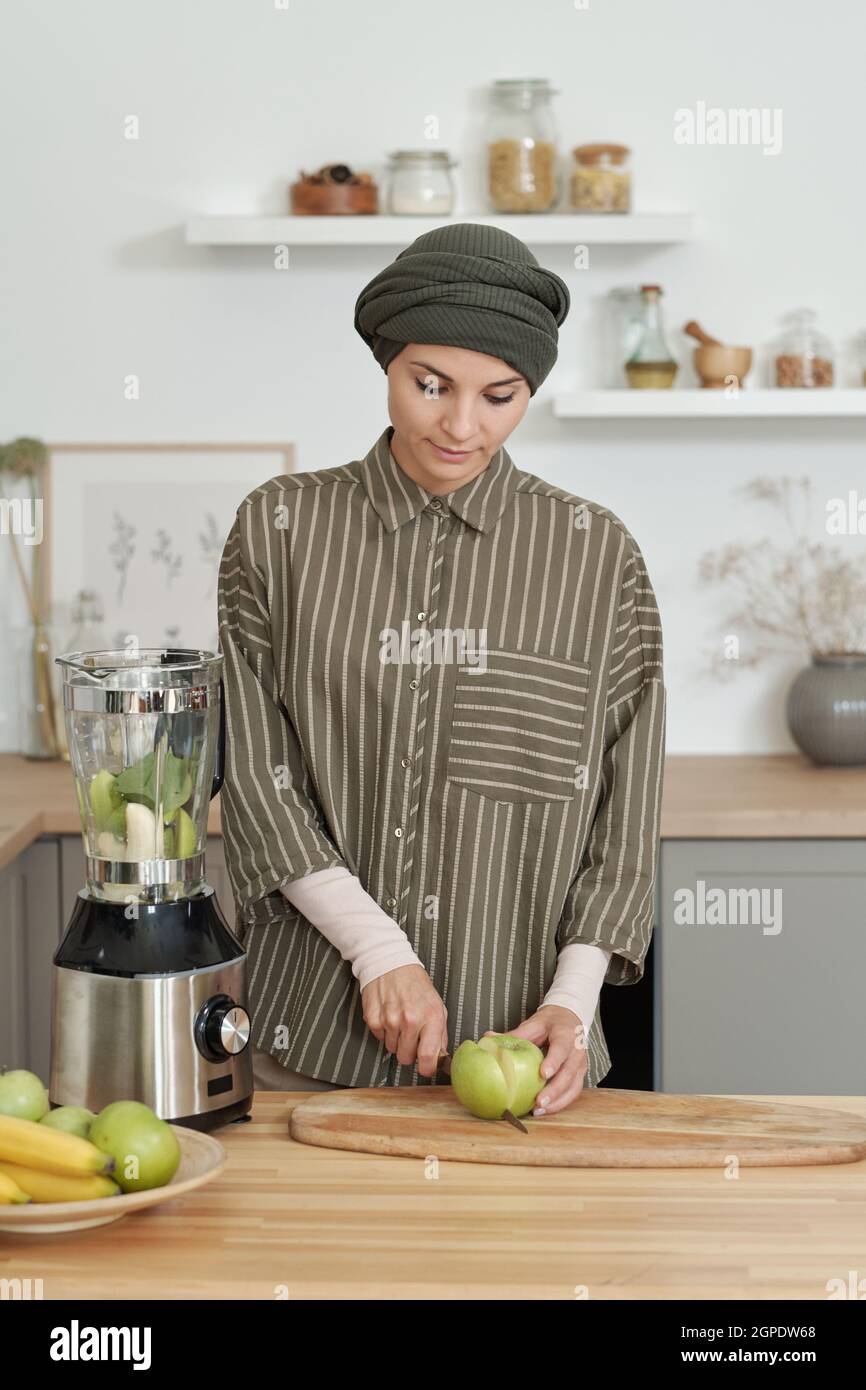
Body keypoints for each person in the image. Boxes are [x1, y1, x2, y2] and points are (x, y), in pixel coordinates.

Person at [216, 222, 666, 1115]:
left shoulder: (595, 552)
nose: (462, 426)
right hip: (312, 1033)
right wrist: (378, 952)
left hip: (531, 1050)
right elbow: (257, 779)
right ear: (386, 366)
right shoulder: (280, 528)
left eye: (500, 396)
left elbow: (628, 804)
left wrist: (573, 1001)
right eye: (430, 386)